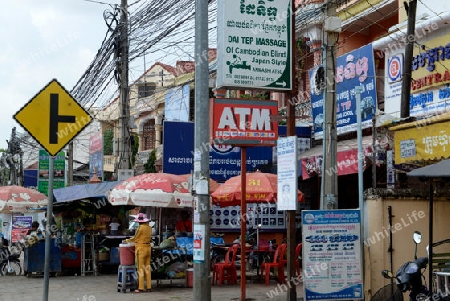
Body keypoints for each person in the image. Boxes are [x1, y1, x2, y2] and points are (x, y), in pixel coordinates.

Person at [126, 213, 152, 293]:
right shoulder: (149, 228)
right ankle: (149, 287)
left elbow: (135, 238)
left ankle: (140, 287)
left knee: (140, 268)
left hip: (141, 249)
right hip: (148, 248)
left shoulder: (140, 228)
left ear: (139, 221)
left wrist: (127, 240)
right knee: (147, 268)